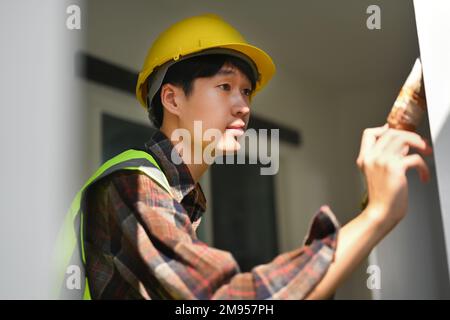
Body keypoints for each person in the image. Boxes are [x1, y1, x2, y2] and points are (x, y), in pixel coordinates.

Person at [58, 14, 432, 299]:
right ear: (172, 99)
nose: (243, 107)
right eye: (225, 86)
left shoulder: (179, 198)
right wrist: (378, 215)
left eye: (247, 91)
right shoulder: (133, 186)